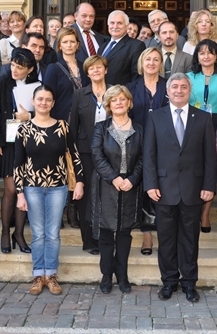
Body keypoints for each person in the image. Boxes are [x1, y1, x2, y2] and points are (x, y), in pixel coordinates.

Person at [143, 73, 217, 303]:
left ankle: (189, 283)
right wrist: (150, 184)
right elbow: (149, 154)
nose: (178, 90)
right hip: (163, 190)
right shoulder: (155, 117)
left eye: (183, 86)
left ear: (189, 90)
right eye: (174, 86)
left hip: (193, 189)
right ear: (167, 91)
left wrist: (209, 185)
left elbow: (210, 156)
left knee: (190, 240)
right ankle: (169, 282)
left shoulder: (203, 118)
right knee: (166, 240)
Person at [14, 85, 85, 296]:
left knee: (52, 233)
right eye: (40, 99)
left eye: (48, 99)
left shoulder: (63, 127)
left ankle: (51, 275)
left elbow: (75, 155)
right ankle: (38, 275)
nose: (43, 103)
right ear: (33, 101)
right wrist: (19, 193)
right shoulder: (23, 129)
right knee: (38, 233)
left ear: (53, 103)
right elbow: (18, 164)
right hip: (32, 188)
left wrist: (79, 182)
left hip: (58, 187)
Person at [91, 85, 144, 294]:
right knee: (106, 233)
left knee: (124, 233)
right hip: (106, 185)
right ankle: (106, 275)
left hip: (130, 185)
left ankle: (122, 276)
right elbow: (97, 155)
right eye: (114, 100)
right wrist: (114, 178)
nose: (119, 103)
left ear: (129, 103)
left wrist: (132, 179)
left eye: (122, 99)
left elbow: (143, 158)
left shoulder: (139, 129)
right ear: (109, 105)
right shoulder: (100, 128)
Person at [0, 48, 37, 255]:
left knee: (24, 189)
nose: (15, 70)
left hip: (29, 143)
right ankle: (5, 233)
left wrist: (30, 116)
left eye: (20, 67)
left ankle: (19, 233)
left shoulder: (37, 86)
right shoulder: (2, 82)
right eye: (13, 65)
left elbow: (43, 110)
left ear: (30, 69)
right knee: (11, 189)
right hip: (8, 143)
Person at [186, 39, 217, 232]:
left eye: (210, 52)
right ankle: (194, 208)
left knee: (211, 167)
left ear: (216, 56)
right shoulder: (188, 77)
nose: (206, 56)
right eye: (202, 53)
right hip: (193, 122)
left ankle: (205, 212)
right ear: (197, 56)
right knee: (194, 166)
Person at [126, 47, 169, 255]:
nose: (151, 63)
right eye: (148, 59)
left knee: (162, 185)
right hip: (138, 143)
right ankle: (147, 233)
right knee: (143, 185)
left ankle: (165, 229)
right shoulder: (131, 87)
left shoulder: (169, 86)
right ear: (141, 63)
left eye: (156, 59)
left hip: (165, 144)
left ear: (161, 64)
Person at [69, 55, 111, 254]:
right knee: (86, 197)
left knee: (107, 196)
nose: (96, 71)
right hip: (85, 153)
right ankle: (89, 242)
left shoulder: (115, 92)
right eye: (91, 68)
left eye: (99, 67)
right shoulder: (79, 94)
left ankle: (105, 239)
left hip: (110, 152)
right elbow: (73, 127)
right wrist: (73, 155)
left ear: (105, 70)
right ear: (87, 73)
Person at [44, 27, 91, 121]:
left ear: (77, 44)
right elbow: (48, 96)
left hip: (84, 119)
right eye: (65, 42)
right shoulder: (53, 68)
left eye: (72, 41)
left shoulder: (84, 67)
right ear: (59, 46)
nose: (69, 45)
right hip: (62, 120)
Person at [99, 10, 145, 85]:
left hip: (121, 91)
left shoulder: (136, 46)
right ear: (108, 25)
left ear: (127, 26)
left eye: (119, 23)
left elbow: (137, 77)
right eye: (112, 23)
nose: (115, 26)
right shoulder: (102, 47)